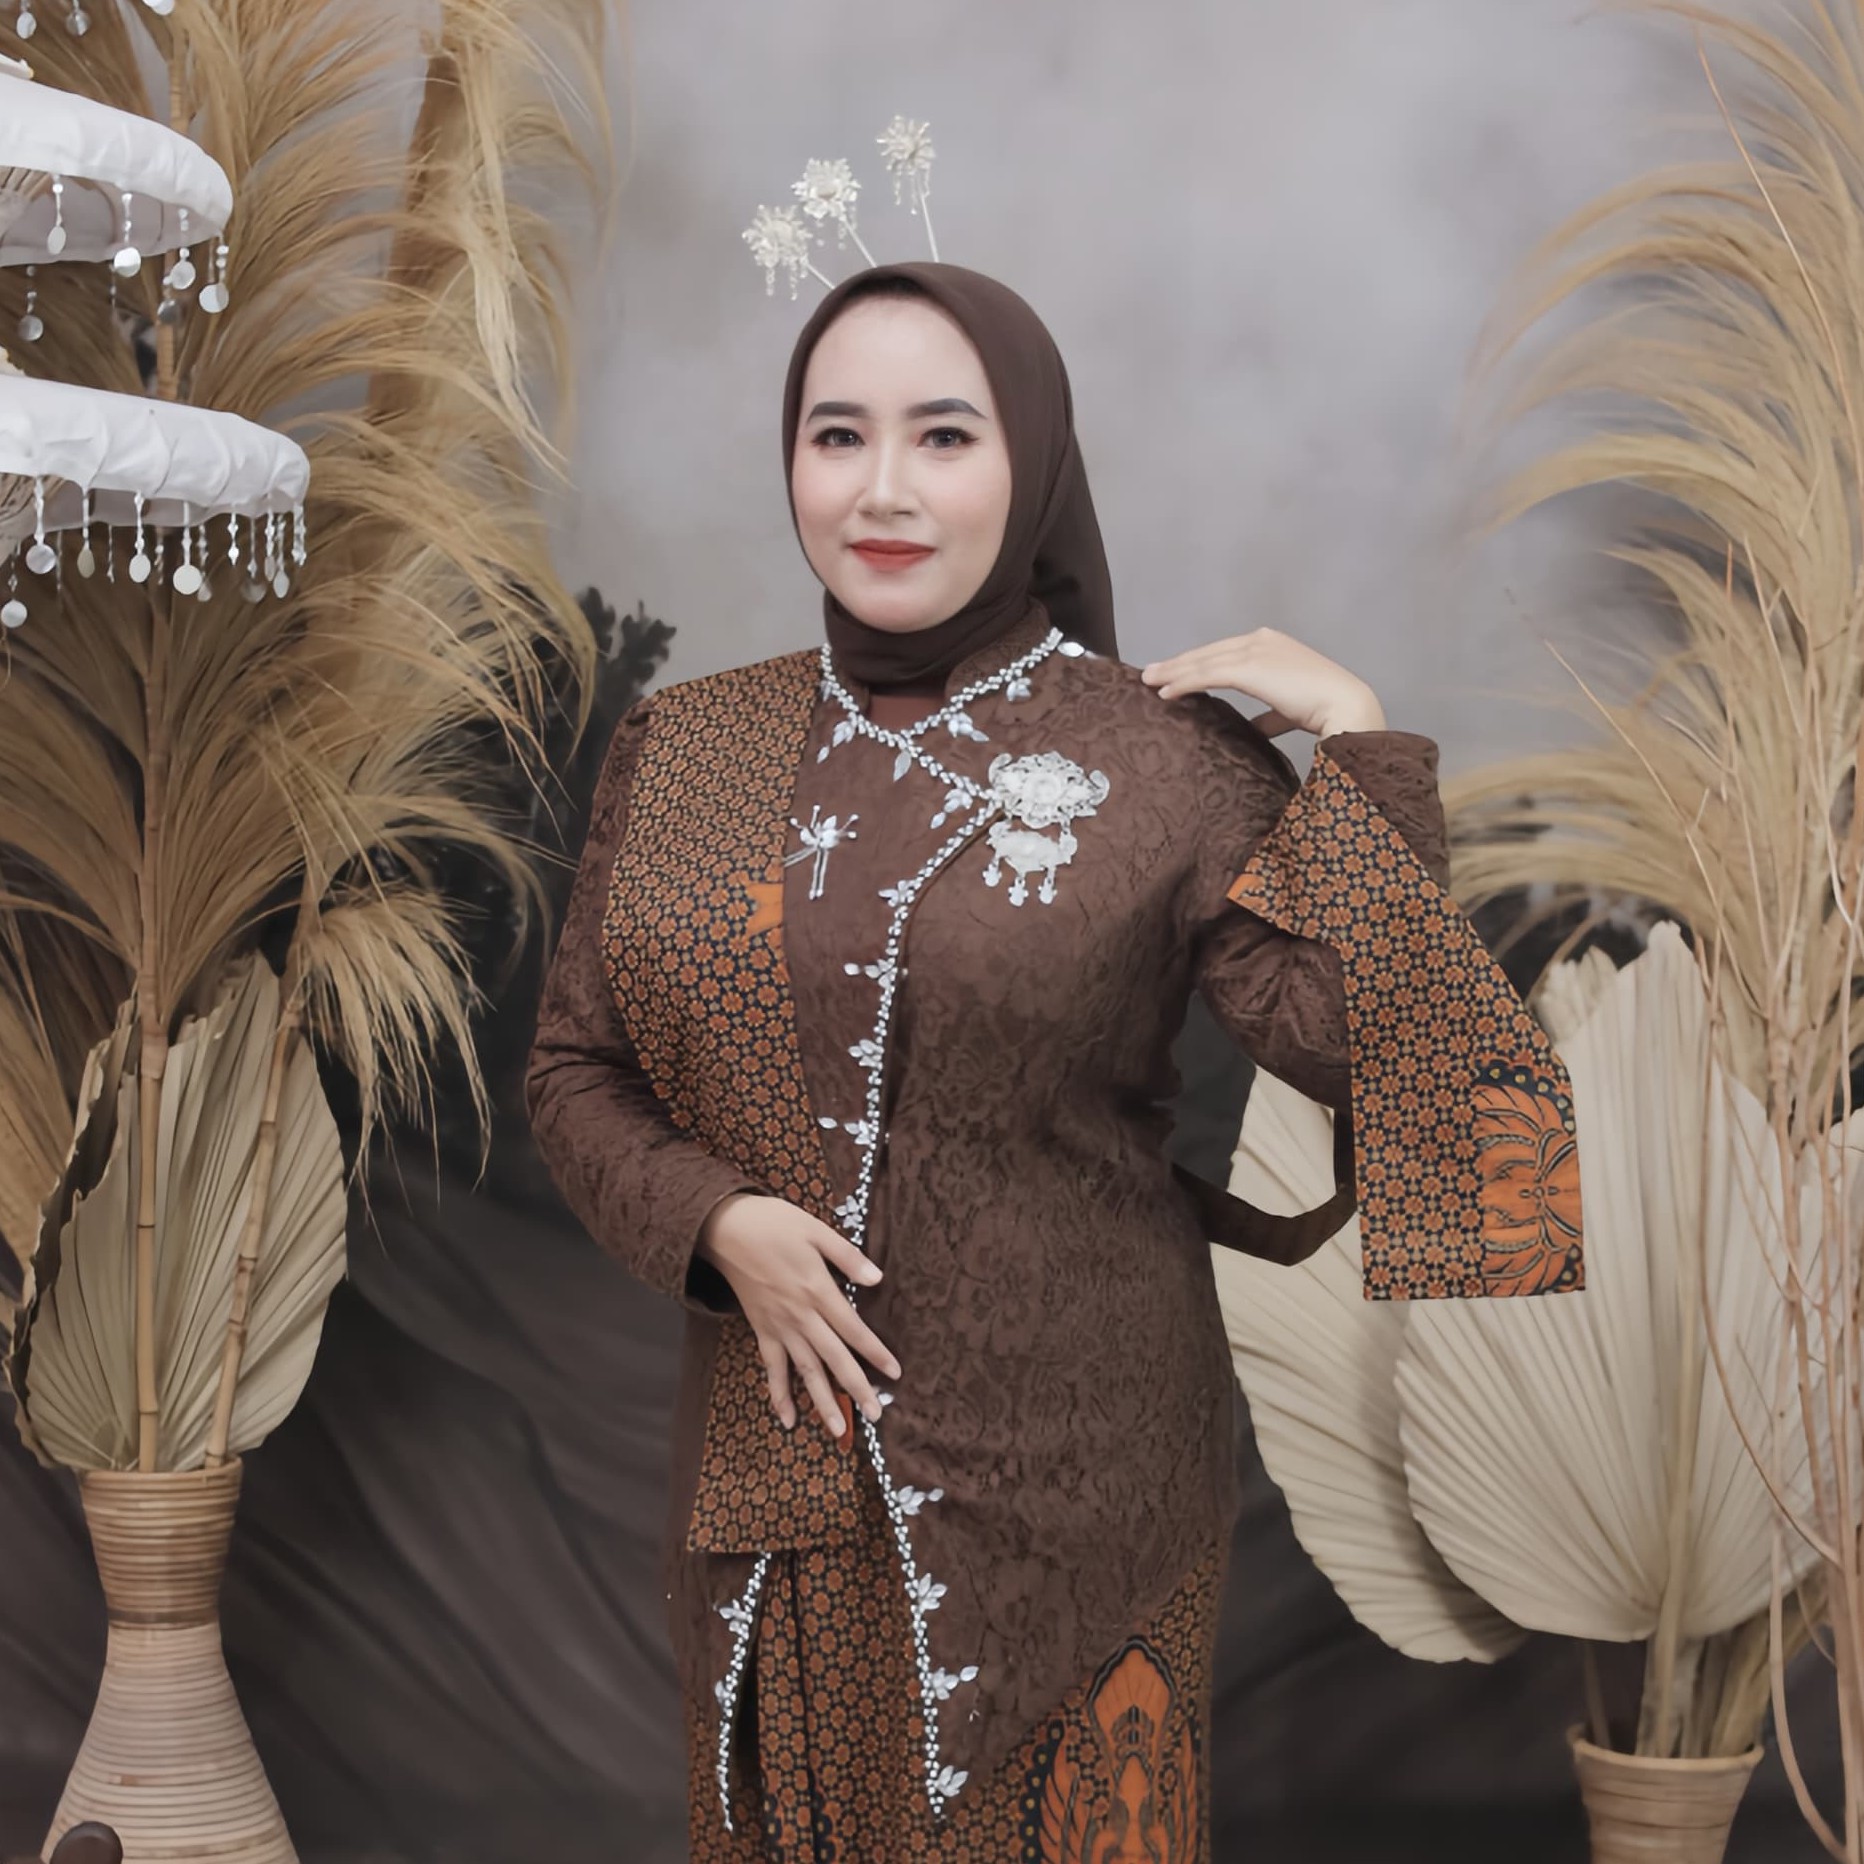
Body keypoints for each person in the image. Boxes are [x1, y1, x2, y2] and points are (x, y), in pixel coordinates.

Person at [526, 261, 1580, 1863]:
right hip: (782, 1454)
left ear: (1032, 465)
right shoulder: (688, 752)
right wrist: (716, 1221)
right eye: (836, 435)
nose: (882, 489)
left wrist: (1359, 750)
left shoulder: (1163, 759)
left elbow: (1395, 1063)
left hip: (1081, 1479)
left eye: (944, 437)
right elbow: (573, 1071)